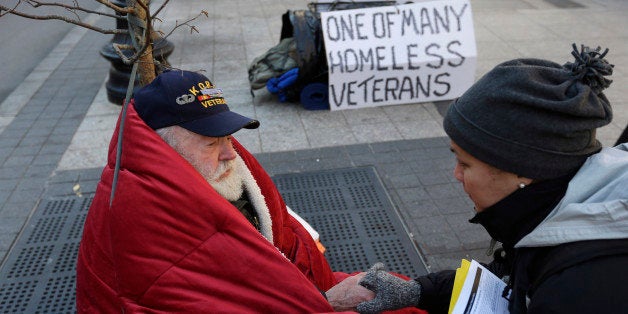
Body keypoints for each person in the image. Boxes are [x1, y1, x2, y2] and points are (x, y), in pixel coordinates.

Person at [75, 69, 422, 313]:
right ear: (161, 147)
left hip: (307, 293)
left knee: (400, 294)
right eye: (211, 142)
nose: (230, 152)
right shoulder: (143, 217)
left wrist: (326, 292)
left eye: (227, 136)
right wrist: (327, 302)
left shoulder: (204, 171)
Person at [348, 44, 628, 313]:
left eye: (465, 163)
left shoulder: (579, 292)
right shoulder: (557, 204)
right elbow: (512, 276)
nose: (456, 175)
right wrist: (419, 291)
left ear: (524, 170)